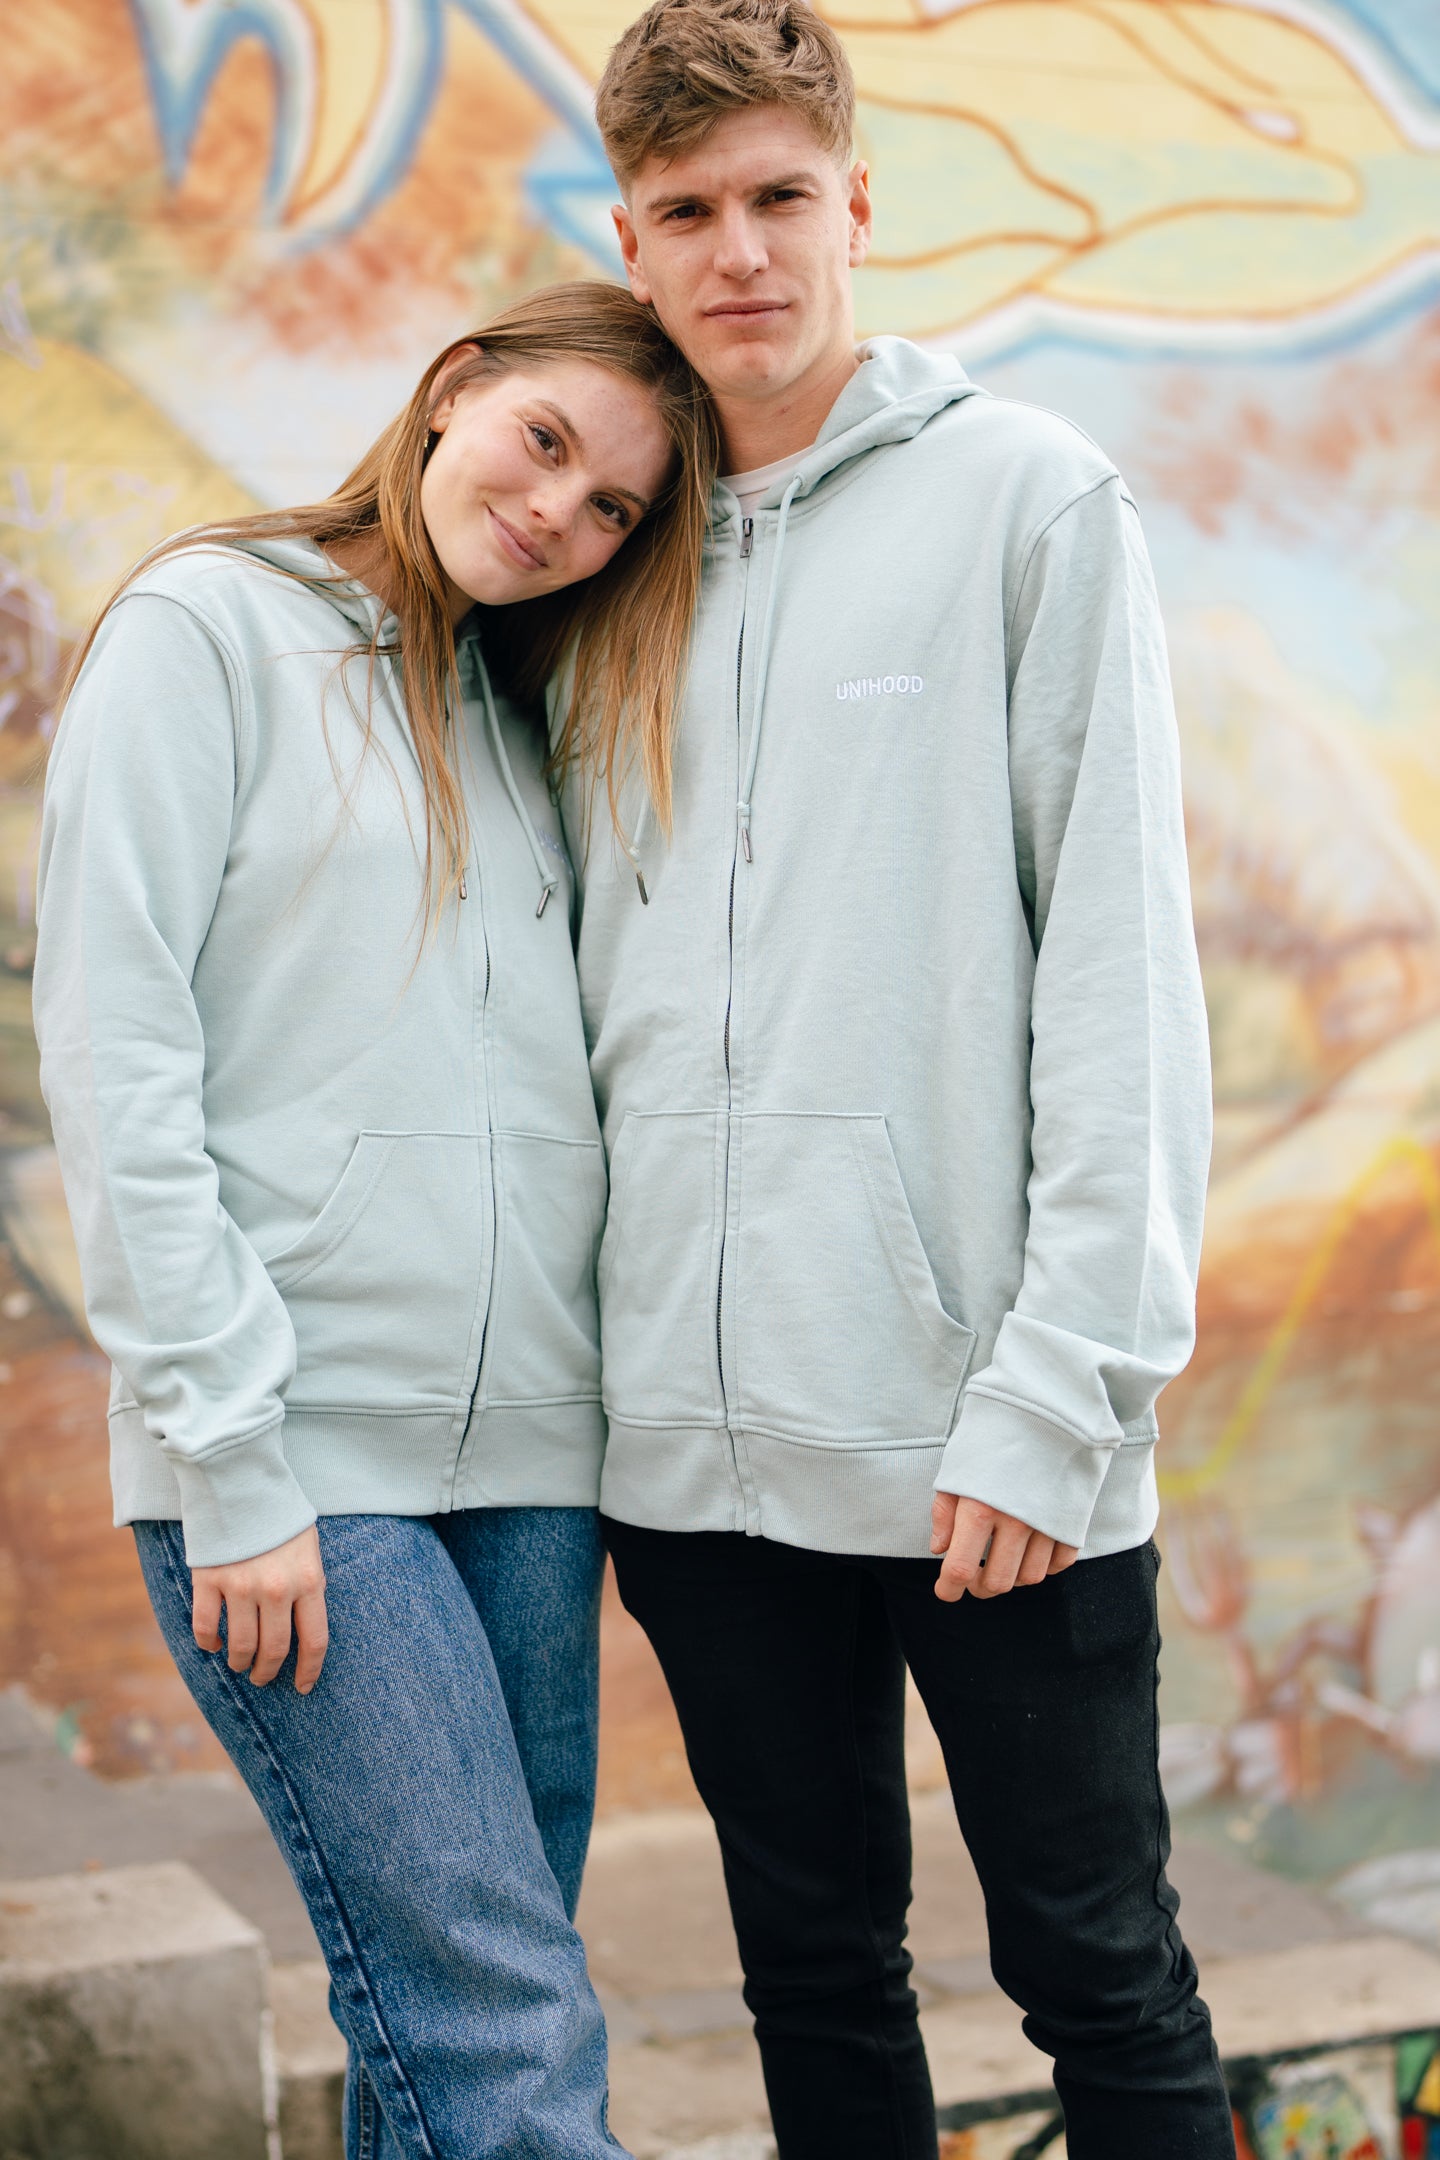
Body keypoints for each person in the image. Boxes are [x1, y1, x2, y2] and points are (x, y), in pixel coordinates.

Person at [556, 6, 1234, 2155]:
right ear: (630, 241)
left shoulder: (1029, 501)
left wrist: (1064, 1393)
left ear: (856, 204)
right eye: (688, 211)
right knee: (812, 1975)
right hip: (694, 1457)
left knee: (1099, 1971)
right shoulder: (604, 545)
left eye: (779, 197)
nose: (740, 251)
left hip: (986, 1437)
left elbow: (1122, 976)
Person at [32, 281, 716, 2160]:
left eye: (612, 508)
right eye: (546, 442)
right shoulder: (207, 630)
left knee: (459, 2010)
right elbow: (117, 1051)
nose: (558, 513)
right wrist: (230, 1453)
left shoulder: (518, 703)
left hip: (530, 1463)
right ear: (451, 389)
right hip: (300, 1452)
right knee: (505, 2032)